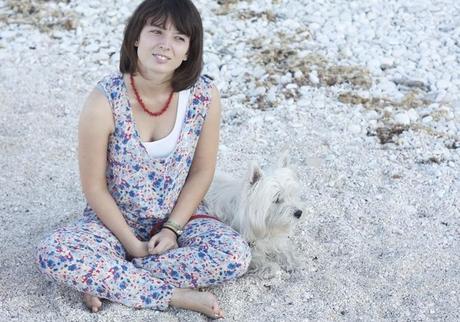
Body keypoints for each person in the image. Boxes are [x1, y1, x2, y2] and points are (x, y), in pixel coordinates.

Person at [35, 0, 251, 318]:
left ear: (189, 50)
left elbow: (203, 171)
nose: (165, 45)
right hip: (112, 225)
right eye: (156, 31)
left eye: (179, 38)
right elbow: (94, 188)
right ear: (137, 36)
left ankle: (104, 277)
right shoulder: (104, 101)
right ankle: (175, 295)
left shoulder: (204, 95)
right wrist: (132, 244)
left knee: (235, 255)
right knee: (51, 254)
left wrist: (173, 229)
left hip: (181, 220)